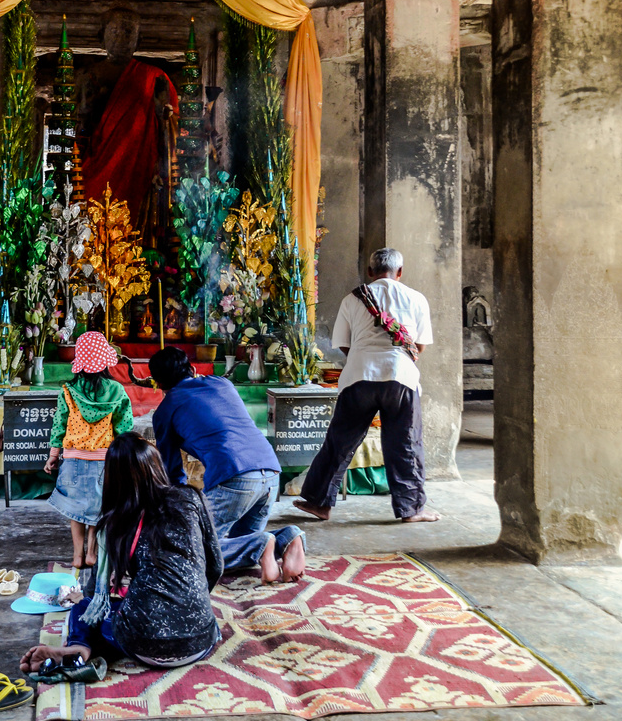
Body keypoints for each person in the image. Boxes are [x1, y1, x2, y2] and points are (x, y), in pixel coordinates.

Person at [21, 433, 222, 674]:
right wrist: (187, 599)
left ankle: (80, 646)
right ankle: (90, 647)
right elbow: (215, 566)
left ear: (111, 478)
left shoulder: (114, 523)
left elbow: (95, 595)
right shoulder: (190, 498)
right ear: (157, 465)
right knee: (137, 611)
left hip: (141, 645)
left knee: (84, 607)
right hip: (200, 641)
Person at [293, 247, 442, 525]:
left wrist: (365, 360)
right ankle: (411, 510)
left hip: (358, 376)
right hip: (401, 377)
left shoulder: (353, 298)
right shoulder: (416, 298)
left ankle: (318, 502)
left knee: (340, 441)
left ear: (370, 272)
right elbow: (418, 346)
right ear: (400, 273)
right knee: (405, 442)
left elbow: (344, 343)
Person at [149, 347, 306, 585]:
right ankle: (287, 538)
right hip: (270, 472)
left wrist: (179, 510)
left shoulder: (166, 409)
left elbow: (173, 471)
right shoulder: (221, 383)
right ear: (192, 369)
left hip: (234, 477)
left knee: (191, 552)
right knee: (238, 542)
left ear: (158, 384)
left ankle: (262, 545)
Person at [45, 332, 133, 568]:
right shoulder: (117, 390)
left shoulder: (68, 391)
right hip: (105, 459)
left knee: (75, 510)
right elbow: (124, 427)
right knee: (98, 507)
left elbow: (59, 425)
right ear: (105, 360)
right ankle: (93, 552)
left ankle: (77, 556)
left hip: (73, 458)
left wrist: (54, 455)